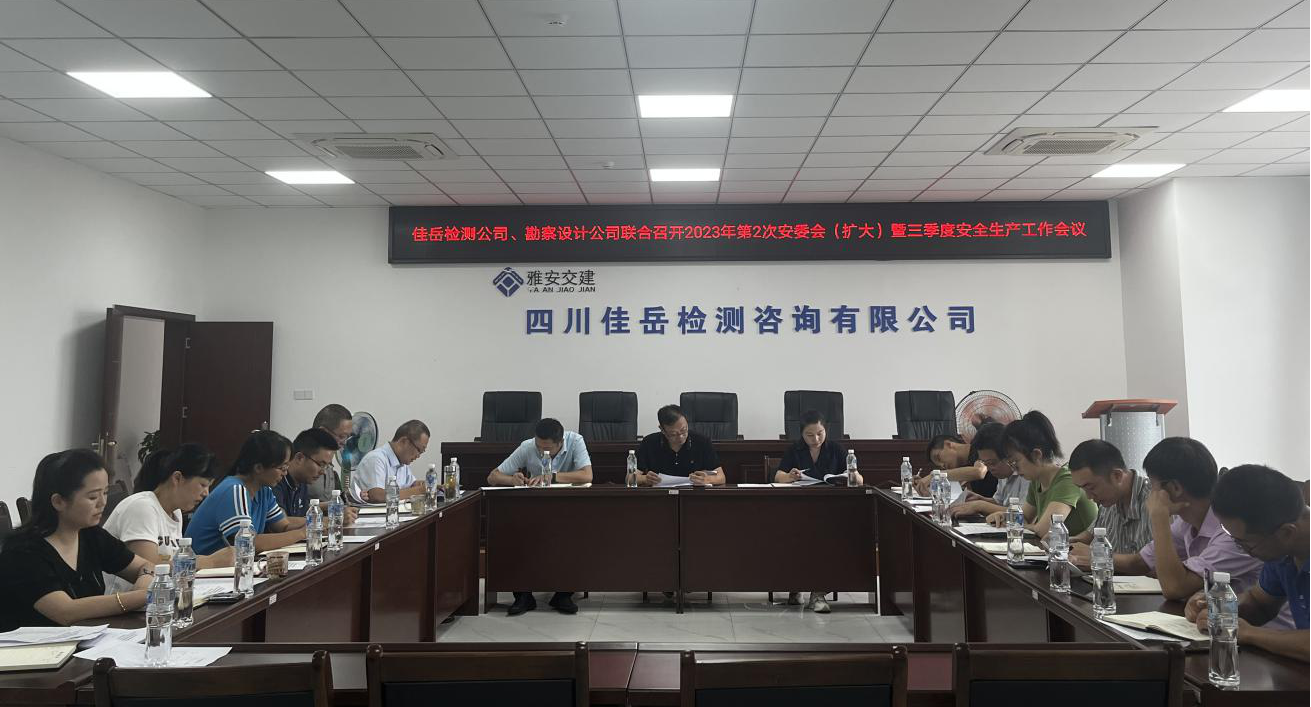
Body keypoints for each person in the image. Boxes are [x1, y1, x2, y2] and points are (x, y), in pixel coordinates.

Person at [0, 449, 154, 631]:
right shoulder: (22, 551)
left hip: (88, 639)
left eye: (105, 493)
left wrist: (143, 587)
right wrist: (143, 596)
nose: (102, 503)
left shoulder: (91, 535)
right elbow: (65, 612)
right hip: (35, 646)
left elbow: (145, 566)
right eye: (93, 497)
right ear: (58, 502)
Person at [1098, 437, 1262, 600]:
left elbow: (1175, 588)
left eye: (1152, 485)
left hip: (1243, 617)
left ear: (1174, 488)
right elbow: (1142, 562)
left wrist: (1159, 517)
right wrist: (1096, 557)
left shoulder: (1232, 533)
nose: (1150, 493)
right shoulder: (1186, 523)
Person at [1185, 465, 1308, 662]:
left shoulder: (1280, 541)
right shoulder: (1283, 552)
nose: (1244, 550)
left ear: (1286, 533)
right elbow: (1260, 603)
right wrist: (1222, 608)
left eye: (1246, 544)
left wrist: (1250, 634)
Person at [487, 418, 593, 617]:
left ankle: (563, 594)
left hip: (569, 509)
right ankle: (523, 596)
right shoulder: (528, 446)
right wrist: (512, 479)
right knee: (515, 535)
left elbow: (587, 475)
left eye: (547, 449)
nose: (542, 451)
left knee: (575, 536)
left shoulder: (575, 441)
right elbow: (493, 476)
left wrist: (552, 476)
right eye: (539, 446)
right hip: (535, 509)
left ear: (560, 442)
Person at [102, 444, 234, 593]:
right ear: (177, 478)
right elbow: (149, 568)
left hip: (158, 598)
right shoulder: (142, 506)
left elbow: (171, 564)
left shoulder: (176, 513)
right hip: (125, 602)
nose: (206, 493)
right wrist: (211, 562)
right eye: (203, 484)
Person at [773, 409, 862, 613]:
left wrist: (852, 475)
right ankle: (796, 586)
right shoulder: (794, 450)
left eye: (820, 433)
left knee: (828, 542)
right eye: (810, 435)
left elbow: (859, 479)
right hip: (799, 509)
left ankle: (818, 593)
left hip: (831, 510)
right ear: (801, 434)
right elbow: (778, 476)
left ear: (826, 430)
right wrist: (790, 477)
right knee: (795, 539)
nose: (816, 439)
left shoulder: (837, 450)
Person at [185, 431, 307, 555]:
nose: (285, 473)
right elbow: (249, 543)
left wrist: (313, 524)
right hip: (201, 564)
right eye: (282, 468)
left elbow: (283, 527)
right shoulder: (234, 489)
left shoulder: (264, 490)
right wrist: (301, 533)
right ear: (258, 468)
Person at [985, 410, 1097, 538]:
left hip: (1077, 549)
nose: (1015, 470)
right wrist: (1004, 516)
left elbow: (1044, 530)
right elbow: (1025, 518)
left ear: (1036, 455)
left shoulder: (1067, 480)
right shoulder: (1037, 481)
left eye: (1015, 462)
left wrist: (1011, 524)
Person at [1067, 439, 1154, 567]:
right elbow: (1089, 536)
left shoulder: (1156, 500)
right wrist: (1064, 543)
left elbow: (1160, 565)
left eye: (1091, 487)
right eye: (1083, 489)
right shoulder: (1108, 502)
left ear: (1117, 476)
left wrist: (1099, 557)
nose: (1089, 496)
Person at [275, 428, 358, 525]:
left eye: (327, 466)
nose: (323, 472)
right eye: (321, 464)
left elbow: (305, 510)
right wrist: (334, 519)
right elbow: (281, 522)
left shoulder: (301, 481)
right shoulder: (276, 481)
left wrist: (335, 505)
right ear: (300, 458)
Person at [949, 422, 1027, 518]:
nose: (990, 469)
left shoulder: (1026, 475)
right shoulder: (1003, 474)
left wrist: (980, 506)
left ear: (1007, 454)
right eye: (985, 463)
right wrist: (980, 499)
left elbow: (1023, 514)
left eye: (992, 463)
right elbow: (999, 502)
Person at [635, 405, 725, 487]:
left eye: (684, 430)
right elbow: (630, 477)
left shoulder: (702, 442)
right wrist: (645, 479)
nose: (681, 437)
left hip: (694, 495)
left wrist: (706, 480)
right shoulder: (649, 442)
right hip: (660, 495)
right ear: (662, 429)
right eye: (673, 434)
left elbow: (721, 477)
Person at [352, 420, 430, 503]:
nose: (418, 456)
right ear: (404, 441)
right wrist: (419, 490)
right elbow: (377, 496)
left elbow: (412, 485)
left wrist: (432, 486)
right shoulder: (375, 459)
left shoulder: (402, 463)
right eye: (418, 450)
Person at [919, 432, 998, 499]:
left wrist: (935, 475)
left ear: (948, 444)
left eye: (938, 458)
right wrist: (926, 486)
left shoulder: (978, 447)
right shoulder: (963, 467)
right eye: (939, 466)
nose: (942, 465)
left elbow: (979, 472)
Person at [306, 403, 352, 502]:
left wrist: (350, 497)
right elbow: (298, 507)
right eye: (342, 436)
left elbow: (333, 498)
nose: (344, 443)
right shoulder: (304, 459)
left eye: (347, 437)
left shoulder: (330, 463)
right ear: (323, 432)